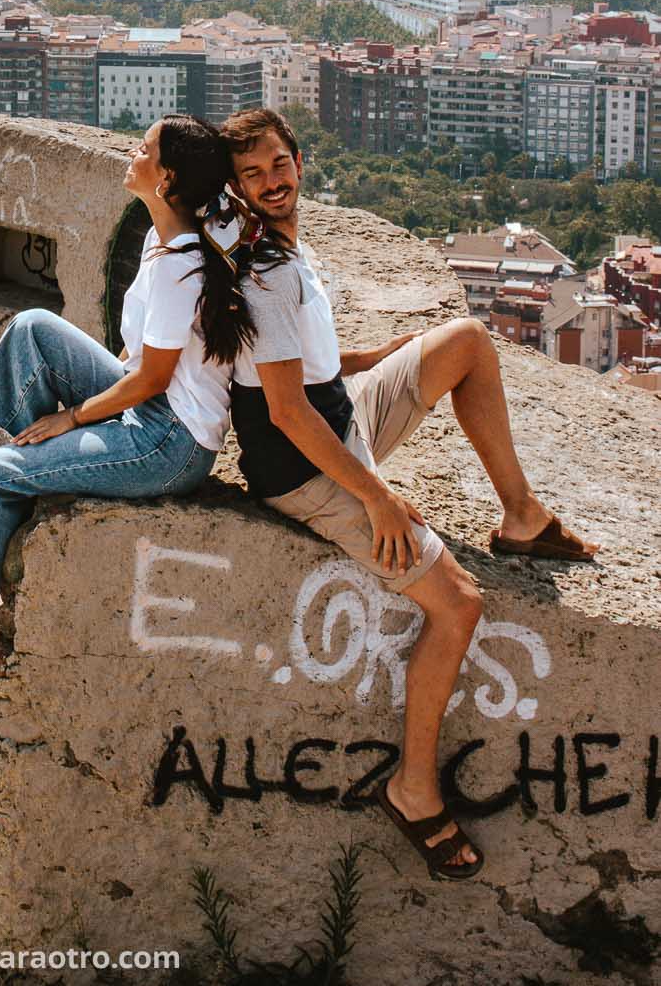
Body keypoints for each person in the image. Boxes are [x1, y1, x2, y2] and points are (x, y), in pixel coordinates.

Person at [220, 105, 599, 882]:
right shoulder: (261, 270)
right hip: (304, 466)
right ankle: (413, 786)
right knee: (457, 602)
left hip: (337, 418)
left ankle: (521, 516)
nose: (271, 183)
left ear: (298, 160)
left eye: (278, 165)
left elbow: (306, 367)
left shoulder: (287, 247)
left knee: (464, 341)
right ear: (234, 186)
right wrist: (378, 499)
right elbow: (285, 411)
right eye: (251, 175)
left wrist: (379, 355)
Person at [0, 114, 268, 703]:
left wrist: (72, 418)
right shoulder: (164, 235)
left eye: (143, 150)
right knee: (33, 329)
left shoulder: (179, 266)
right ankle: (35, 472)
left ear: (167, 179)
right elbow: (138, 355)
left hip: (167, 443)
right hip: (148, 406)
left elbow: (152, 378)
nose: (132, 154)